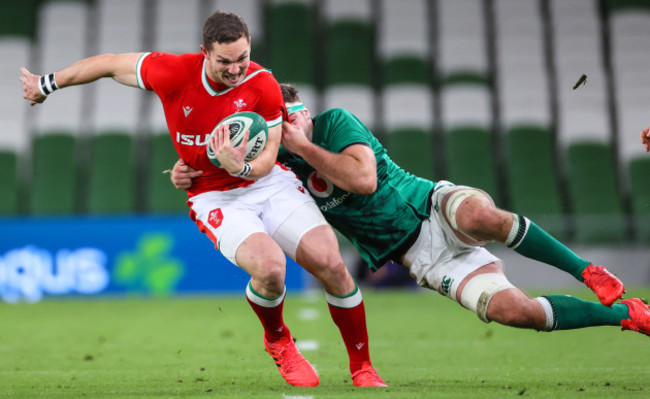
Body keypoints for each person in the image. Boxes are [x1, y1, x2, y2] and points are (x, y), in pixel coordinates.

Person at [20, 12, 386, 388]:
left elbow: (266, 159)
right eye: (224, 61)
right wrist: (47, 84)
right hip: (215, 197)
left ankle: (363, 368)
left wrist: (240, 167)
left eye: (242, 58)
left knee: (332, 264)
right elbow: (109, 65)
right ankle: (278, 340)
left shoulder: (264, 85)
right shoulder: (175, 73)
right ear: (204, 53)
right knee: (271, 270)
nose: (235, 69)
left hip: (266, 183)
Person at [171, 82, 650, 338]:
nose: (295, 124)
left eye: (297, 114)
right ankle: (627, 316)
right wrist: (186, 171)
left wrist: (303, 145)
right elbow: (223, 168)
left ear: (307, 111)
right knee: (515, 312)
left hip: (429, 204)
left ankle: (589, 271)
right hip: (421, 257)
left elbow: (362, 180)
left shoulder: (336, 122)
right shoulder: (278, 169)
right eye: (284, 120)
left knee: (482, 217)